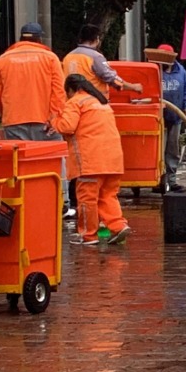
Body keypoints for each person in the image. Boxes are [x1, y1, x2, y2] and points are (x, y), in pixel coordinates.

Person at [54, 75, 130, 246]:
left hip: (90, 160)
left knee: (87, 198)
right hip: (113, 159)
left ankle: (88, 235)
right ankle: (118, 226)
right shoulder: (101, 102)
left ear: (71, 90)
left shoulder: (75, 102)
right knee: (108, 196)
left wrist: (54, 120)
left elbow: (67, 126)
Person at [0, 23, 66, 140]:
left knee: (18, 153)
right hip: (45, 122)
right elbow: (59, 91)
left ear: (21, 38)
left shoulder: (3, 59)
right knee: (51, 152)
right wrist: (54, 117)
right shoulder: (50, 58)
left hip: (13, 122)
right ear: (39, 39)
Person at [153, 45, 186, 193]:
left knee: (172, 150)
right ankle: (158, 180)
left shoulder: (180, 71)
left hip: (175, 117)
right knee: (157, 151)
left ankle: (171, 180)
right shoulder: (154, 71)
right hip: (157, 119)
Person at [63, 24, 142, 95]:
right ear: (96, 39)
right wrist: (133, 87)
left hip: (71, 102)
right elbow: (111, 78)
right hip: (92, 101)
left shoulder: (68, 57)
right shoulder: (95, 57)